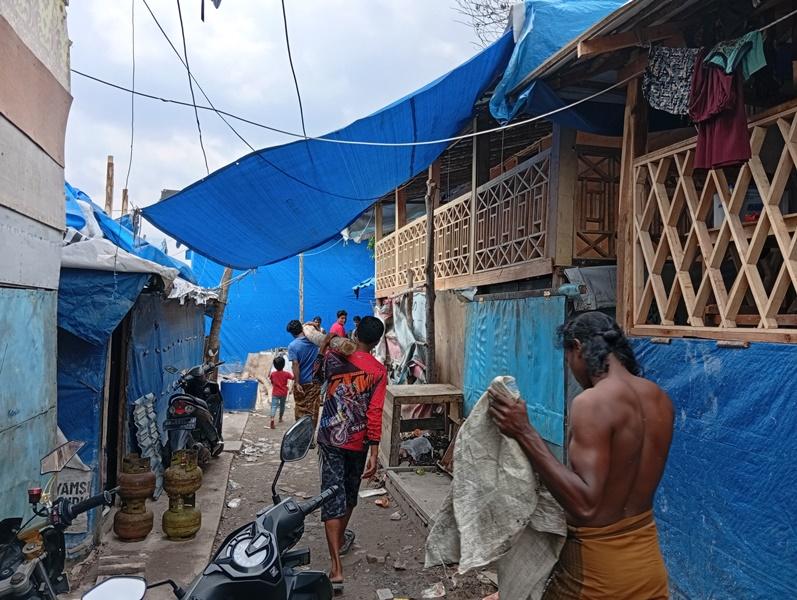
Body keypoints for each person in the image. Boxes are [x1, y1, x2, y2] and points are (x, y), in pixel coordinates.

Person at [489, 311, 674, 600]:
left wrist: (524, 432)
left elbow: (585, 505)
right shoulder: (659, 398)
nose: (572, 371)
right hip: (648, 567)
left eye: (567, 361)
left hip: (597, 575)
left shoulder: (592, 403)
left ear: (577, 348)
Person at [316, 316, 386, 592]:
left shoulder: (334, 358)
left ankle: (336, 566)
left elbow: (313, 376)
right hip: (358, 441)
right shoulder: (379, 370)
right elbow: (375, 411)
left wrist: (325, 347)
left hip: (330, 437)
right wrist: (375, 449)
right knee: (349, 494)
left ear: (355, 332)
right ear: (378, 341)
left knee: (332, 493)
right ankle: (340, 540)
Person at [286, 319, 321, 437]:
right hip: (315, 381)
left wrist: (296, 383)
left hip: (302, 383)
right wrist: (313, 326)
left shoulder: (293, 346)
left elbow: (295, 364)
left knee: (301, 409)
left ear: (292, 333)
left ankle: (301, 437)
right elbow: (319, 333)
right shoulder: (313, 341)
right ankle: (311, 438)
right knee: (313, 410)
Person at [268, 356, 293, 429]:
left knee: (273, 406)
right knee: (282, 406)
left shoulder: (273, 374)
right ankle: (280, 418)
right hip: (283, 393)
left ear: (275, 366)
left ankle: (272, 419)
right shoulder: (286, 374)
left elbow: (272, 381)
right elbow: (293, 378)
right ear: (284, 365)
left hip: (275, 393)